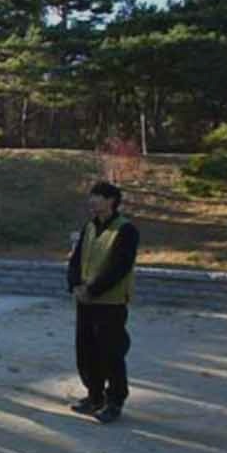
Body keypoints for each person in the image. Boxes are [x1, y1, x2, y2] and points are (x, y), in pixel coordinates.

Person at [67, 181, 139, 425]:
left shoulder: (126, 230)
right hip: (85, 301)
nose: (92, 201)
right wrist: (76, 285)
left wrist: (93, 289)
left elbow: (119, 267)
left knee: (111, 352)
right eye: (91, 197)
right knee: (86, 350)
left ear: (111, 200)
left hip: (110, 302)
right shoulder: (89, 226)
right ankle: (94, 395)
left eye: (97, 196)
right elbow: (75, 260)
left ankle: (115, 401)